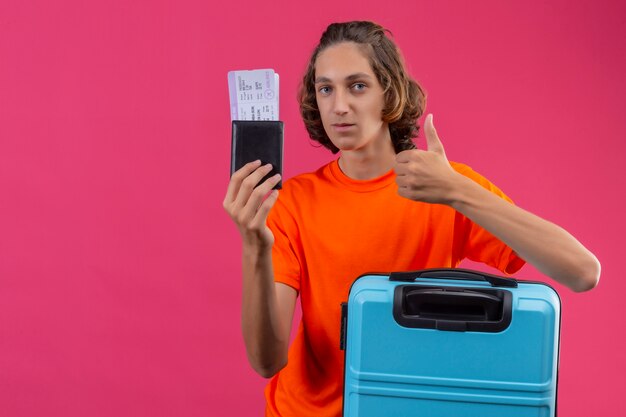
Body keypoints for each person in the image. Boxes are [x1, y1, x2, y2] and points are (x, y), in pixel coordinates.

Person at [223, 21, 600, 417]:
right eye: (325, 88)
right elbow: (267, 363)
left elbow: (582, 271)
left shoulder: (442, 186)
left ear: (389, 92)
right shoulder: (294, 201)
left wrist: (457, 190)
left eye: (357, 86)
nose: (338, 106)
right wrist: (254, 245)